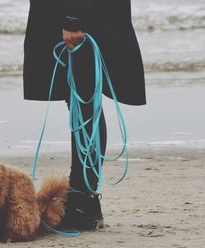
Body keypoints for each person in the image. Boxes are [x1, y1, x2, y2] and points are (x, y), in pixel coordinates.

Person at [23, 0, 147, 230]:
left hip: (80, 17)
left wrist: (73, 20)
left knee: (85, 103)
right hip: (80, 14)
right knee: (83, 102)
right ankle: (84, 201)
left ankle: (81, 202)